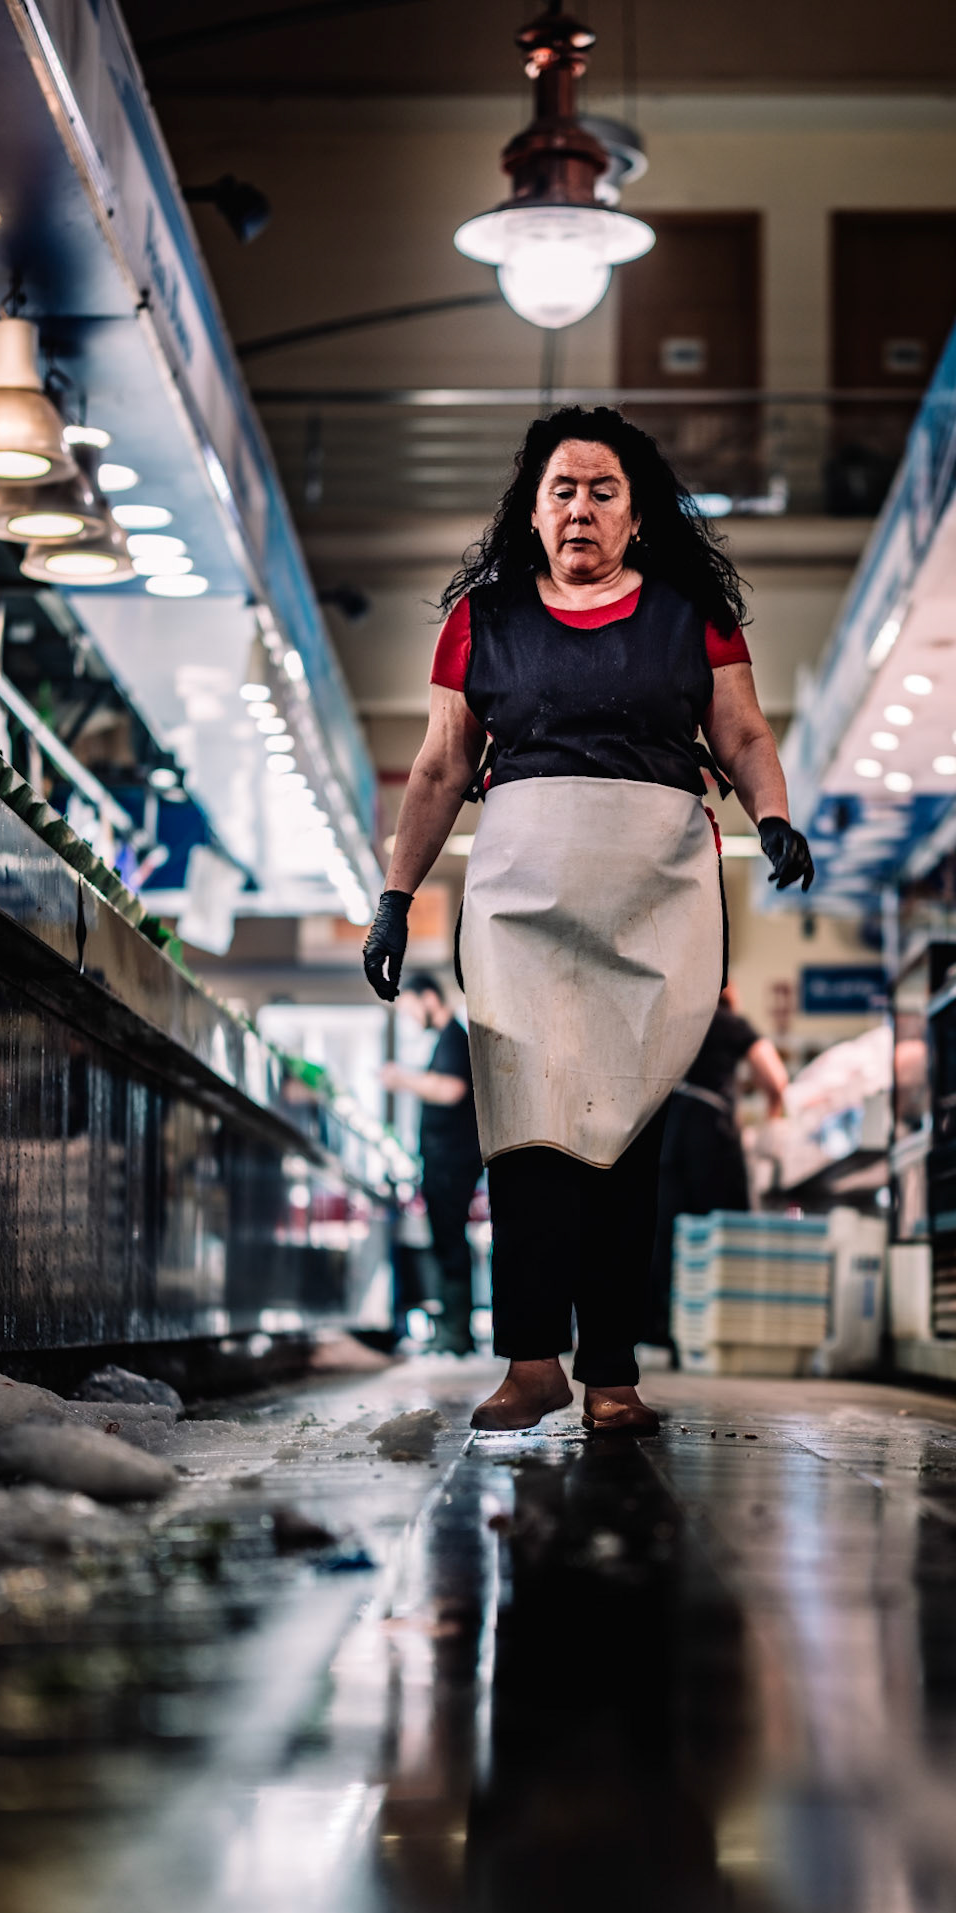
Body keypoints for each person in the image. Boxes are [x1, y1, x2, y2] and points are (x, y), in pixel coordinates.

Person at [363, 405, 812, 1434]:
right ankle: (531, 1360)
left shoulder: (692, 611)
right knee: (524, 1132)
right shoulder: (481, 620)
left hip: (656, 893)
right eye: (560, 490)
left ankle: (613, 1372)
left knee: (627, 1132)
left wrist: (773, 815)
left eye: (602, 491)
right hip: (517, 903)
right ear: (531, 510)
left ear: (636, 514)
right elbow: (438, 766)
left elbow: (739, 729)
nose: (579, 509)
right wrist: (394, 900)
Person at [650, 984, 789, 1357]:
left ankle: (665, 1331)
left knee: (666, 1236)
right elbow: (776, 1079)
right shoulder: (730, 1023)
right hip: (711, 1139)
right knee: (722, 1232)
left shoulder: (669, 1022)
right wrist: (773, 1118)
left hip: (666, 1134)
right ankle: (720, 1332)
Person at [379, 972, 482, 1355]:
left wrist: (402, 1080)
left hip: (453, 1161)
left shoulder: (453, 1037)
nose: (409, 1018)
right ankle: (453, 1332)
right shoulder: (445, 1040)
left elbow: (452, 1089)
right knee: (446, 1242)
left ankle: (455, 1335)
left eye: (409, 1009)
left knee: (450, 1243)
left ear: (428, 998)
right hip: (445, 1161)